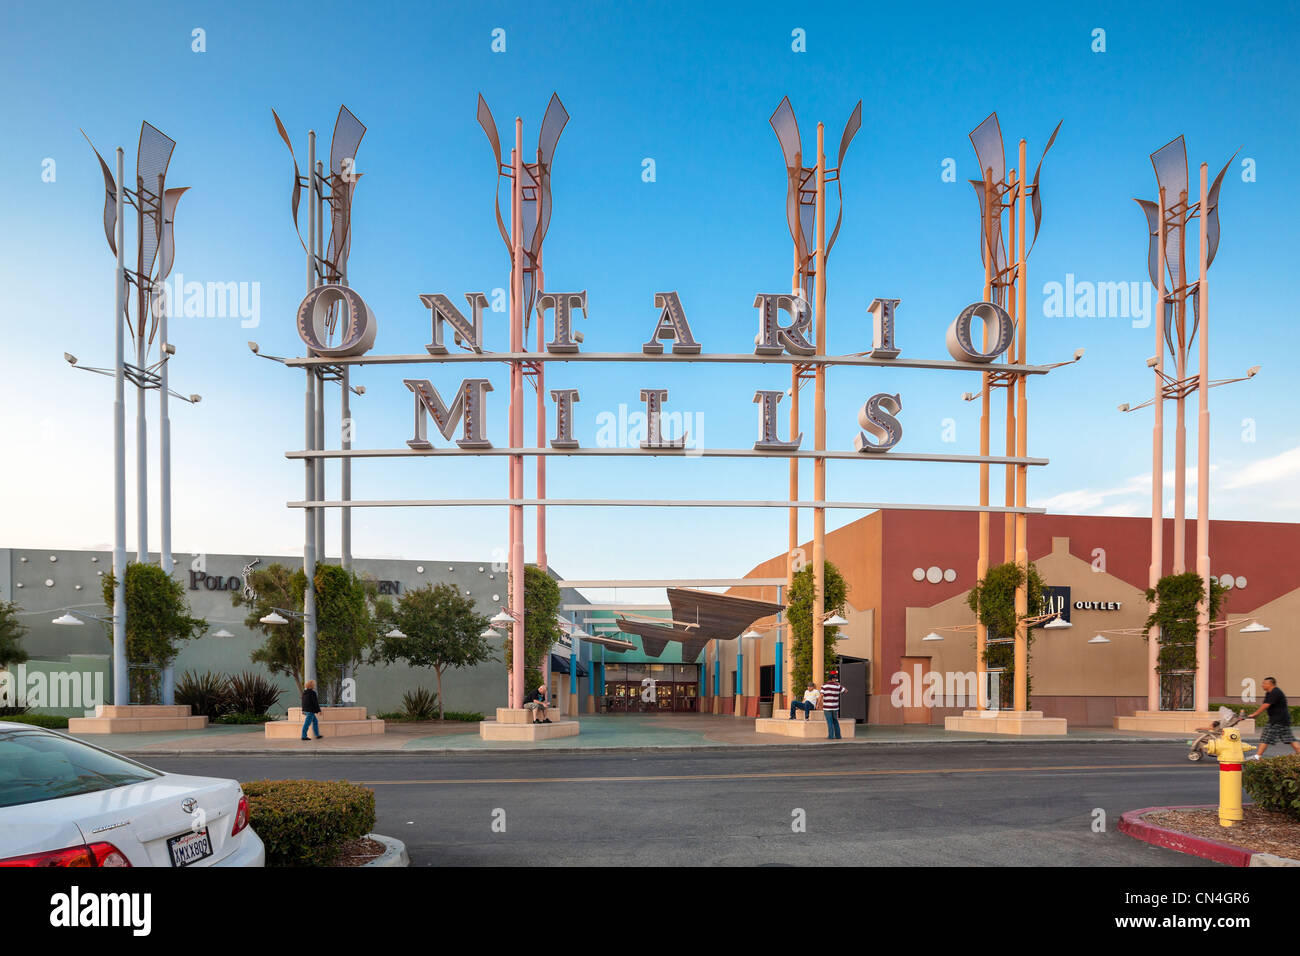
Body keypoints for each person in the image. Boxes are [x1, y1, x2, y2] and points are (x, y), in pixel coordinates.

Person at [1246, 677, 1300, 759]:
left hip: (1277, 720)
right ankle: (1299, 753)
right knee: (1290, 739)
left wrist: (1255, 714)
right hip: (1282, 720)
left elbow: (1266, 705)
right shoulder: (1269, 692)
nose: (1262, 685)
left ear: (1270, 684)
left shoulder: (1275, 692)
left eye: (1264, 683)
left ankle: (1257, 756)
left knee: (1265, 737)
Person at [820, 670, 845, 740]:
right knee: (835, 721)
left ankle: (830, 736)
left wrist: (819, 704)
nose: (835, 680)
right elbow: (845, 691)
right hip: (835, 707)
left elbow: (821, 695)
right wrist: (839, 685)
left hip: (827, 707)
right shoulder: (837, 686)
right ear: (832, 679)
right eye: (835, 679)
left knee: (829, 722)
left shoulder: (824, 686)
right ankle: (838, 736)